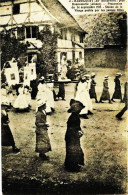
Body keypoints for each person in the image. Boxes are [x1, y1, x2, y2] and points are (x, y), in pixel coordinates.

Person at [65, 99, 85, 172]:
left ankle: (71, 165)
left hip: (71, 136)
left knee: (72, 151)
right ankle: (72, 167)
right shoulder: (74, 117)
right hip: (72, 136)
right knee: (73, 151)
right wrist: (78, 132)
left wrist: (79, 130)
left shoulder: (74, 116)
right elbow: (73, 128)